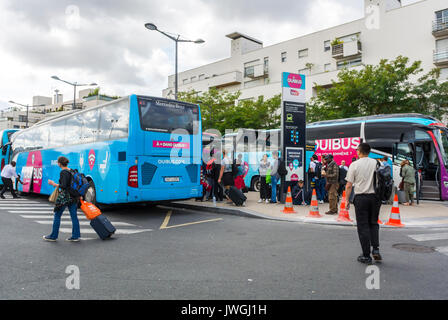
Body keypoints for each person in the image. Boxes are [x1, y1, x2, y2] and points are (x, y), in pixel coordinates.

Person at [345, 143, 382, 264]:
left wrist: (347, 200)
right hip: (375, 197)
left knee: (363, 226)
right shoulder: (376, 163)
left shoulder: (354, 164)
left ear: (359, 151)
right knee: (374, 223)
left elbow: (349, 185)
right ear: (369, 151)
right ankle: (375, 249)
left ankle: (366, 255)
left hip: (361, 198)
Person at [43, 156, 81, 242]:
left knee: (57, 215)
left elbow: (63, 186)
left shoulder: (63, 172)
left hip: (65, 198)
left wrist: (53, 184)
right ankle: (76, 236)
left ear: (59, 163)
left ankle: (53, 236)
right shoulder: (72, 171)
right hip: (74, 197)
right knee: (74, 216)